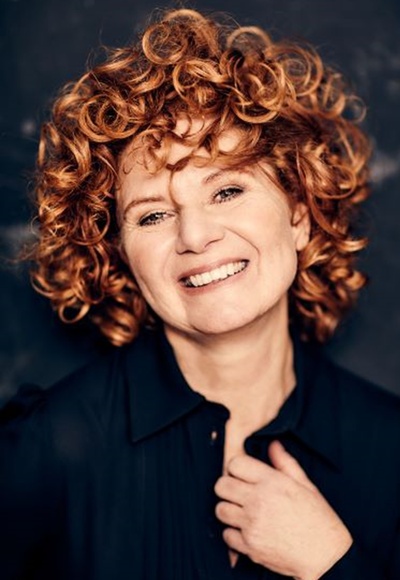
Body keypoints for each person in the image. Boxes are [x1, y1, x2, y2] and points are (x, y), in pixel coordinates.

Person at [1, 7, 399, 580]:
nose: (194, 236)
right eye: (152, 215)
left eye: (227, 191)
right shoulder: (40, 448)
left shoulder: (391, 448)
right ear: (120, 254)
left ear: (299, 215)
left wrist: (332, 565)